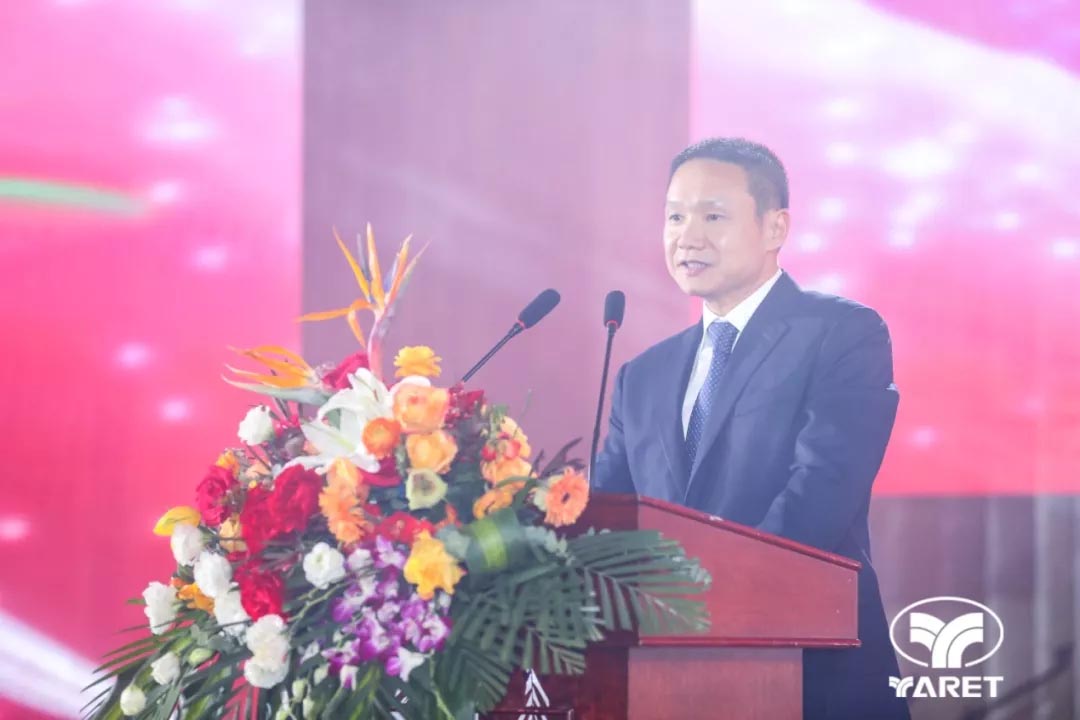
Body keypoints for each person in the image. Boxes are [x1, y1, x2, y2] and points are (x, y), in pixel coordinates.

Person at [592, 137, 909, 719]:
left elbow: (820, 491)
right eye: (675, 217)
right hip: (661, 680)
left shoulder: (842, 333)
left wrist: (704, 604)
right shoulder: (643, 375)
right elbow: (608, 520)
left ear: (774, 227)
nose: (688, 236)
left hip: (809, 674)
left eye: (713, 216)